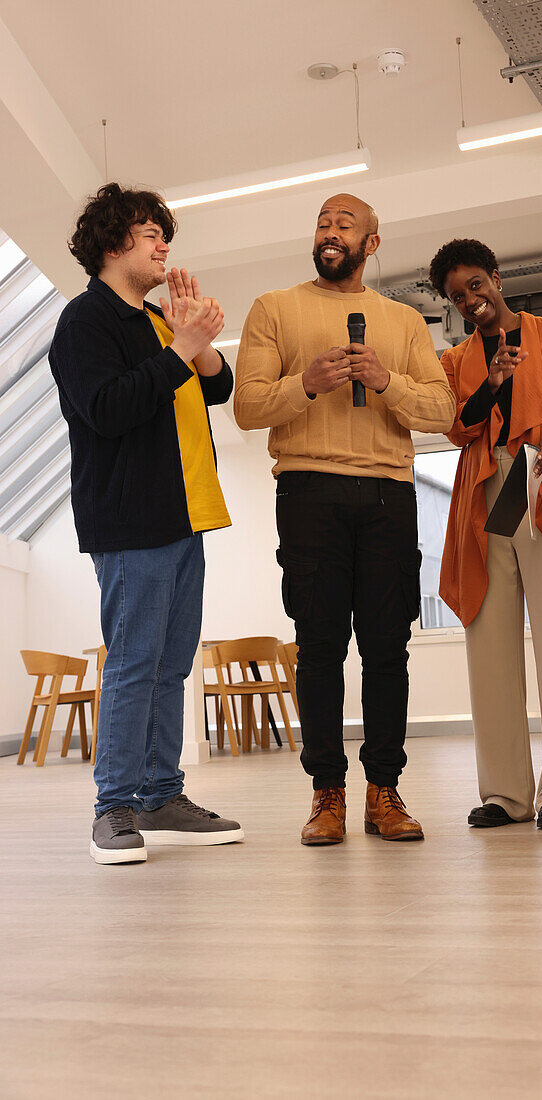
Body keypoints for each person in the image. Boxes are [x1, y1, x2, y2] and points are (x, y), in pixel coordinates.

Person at [235, 193, 455, 845]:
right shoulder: (274, 309)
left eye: (345, 225)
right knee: (320, 646)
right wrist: (304, 383)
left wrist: (387, 381)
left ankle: (383, 793)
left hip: (388, 493)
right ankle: (325, 795)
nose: (330, 232)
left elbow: (440, 411)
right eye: (323, 224)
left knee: (387, 648)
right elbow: (247, 408)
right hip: (307, 490)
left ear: (372, 243)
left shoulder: (404, 321)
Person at [49, 183, 243, 864]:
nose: (164, 243)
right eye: (148, 232)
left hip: (185, 515)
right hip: (131, 521)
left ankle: (161, 796)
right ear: (111, 243)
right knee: (133, 665)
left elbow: (216, 386)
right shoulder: (85, 321)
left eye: (165, 233)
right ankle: (115, 806)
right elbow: (106, 408)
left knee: (169, 665)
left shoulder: (158, 321)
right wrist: (179, 346)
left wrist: (194, 339)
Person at [428, 238, 542, 830]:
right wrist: (493, 381)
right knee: (490, 644)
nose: (470, 299)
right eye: (456, 295)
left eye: (476, 284)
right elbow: (457, 427)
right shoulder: (455, 362)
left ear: (495, 277)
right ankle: (504, 793)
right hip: (482, 492)